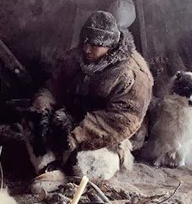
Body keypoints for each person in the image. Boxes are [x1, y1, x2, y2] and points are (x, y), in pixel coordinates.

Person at [27, 10, 153, 188]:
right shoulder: (75, 57)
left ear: (111, 45)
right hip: (70, 119)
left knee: (90, 169)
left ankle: (67, 171)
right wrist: (42, 107)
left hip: (108, 134)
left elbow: (125, 119)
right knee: (32, 122)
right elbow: (54, 86)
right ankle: (50, 168)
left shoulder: (132, 74)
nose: (86, 49)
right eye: (85, 42)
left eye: (95, 45)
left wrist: (76, 134)